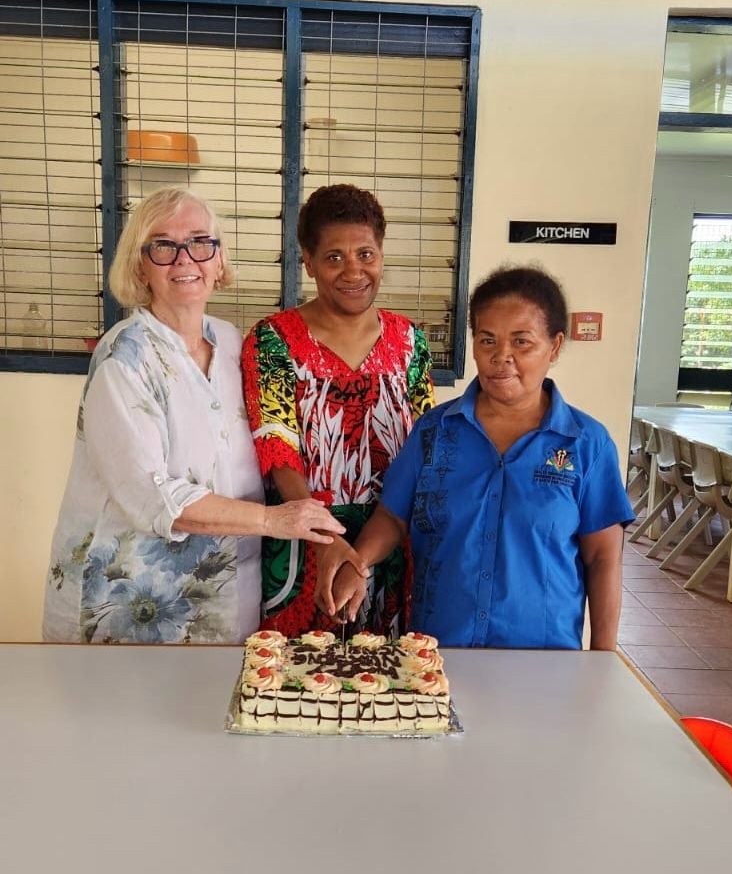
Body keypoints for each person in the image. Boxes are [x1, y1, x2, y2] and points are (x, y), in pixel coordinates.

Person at [42, 187, 344, 644]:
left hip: (224, 600)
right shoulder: (124, 357)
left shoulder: (232, 345)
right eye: (163, 246)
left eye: (201, 243)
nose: (185, 259)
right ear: (140, 266)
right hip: (126, 608)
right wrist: (274, 520)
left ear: (219, 261)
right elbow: (148, 494)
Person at [320, 265, 634, 650]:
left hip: (544, 660)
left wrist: (604, 658)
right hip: (439, 653)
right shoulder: (434, 432)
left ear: (554, 346)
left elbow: (603, 557)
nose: (502, 357)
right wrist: (358, 562)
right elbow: (391, 516)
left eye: (522, 342)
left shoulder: (587, 444)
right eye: (488, 341)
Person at [242, 183, 434, 638]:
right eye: (334, 257)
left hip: (391, 543)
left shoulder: (410, 342)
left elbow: (426, 450)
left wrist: (367, 554)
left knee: (387, 683)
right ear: (307, 262)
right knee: (296, 681)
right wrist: (328, 540)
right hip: (307, 543)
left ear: (382, 254)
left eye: (366, 254)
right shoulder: (273, 340)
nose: (354, 271)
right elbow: (277, 449)